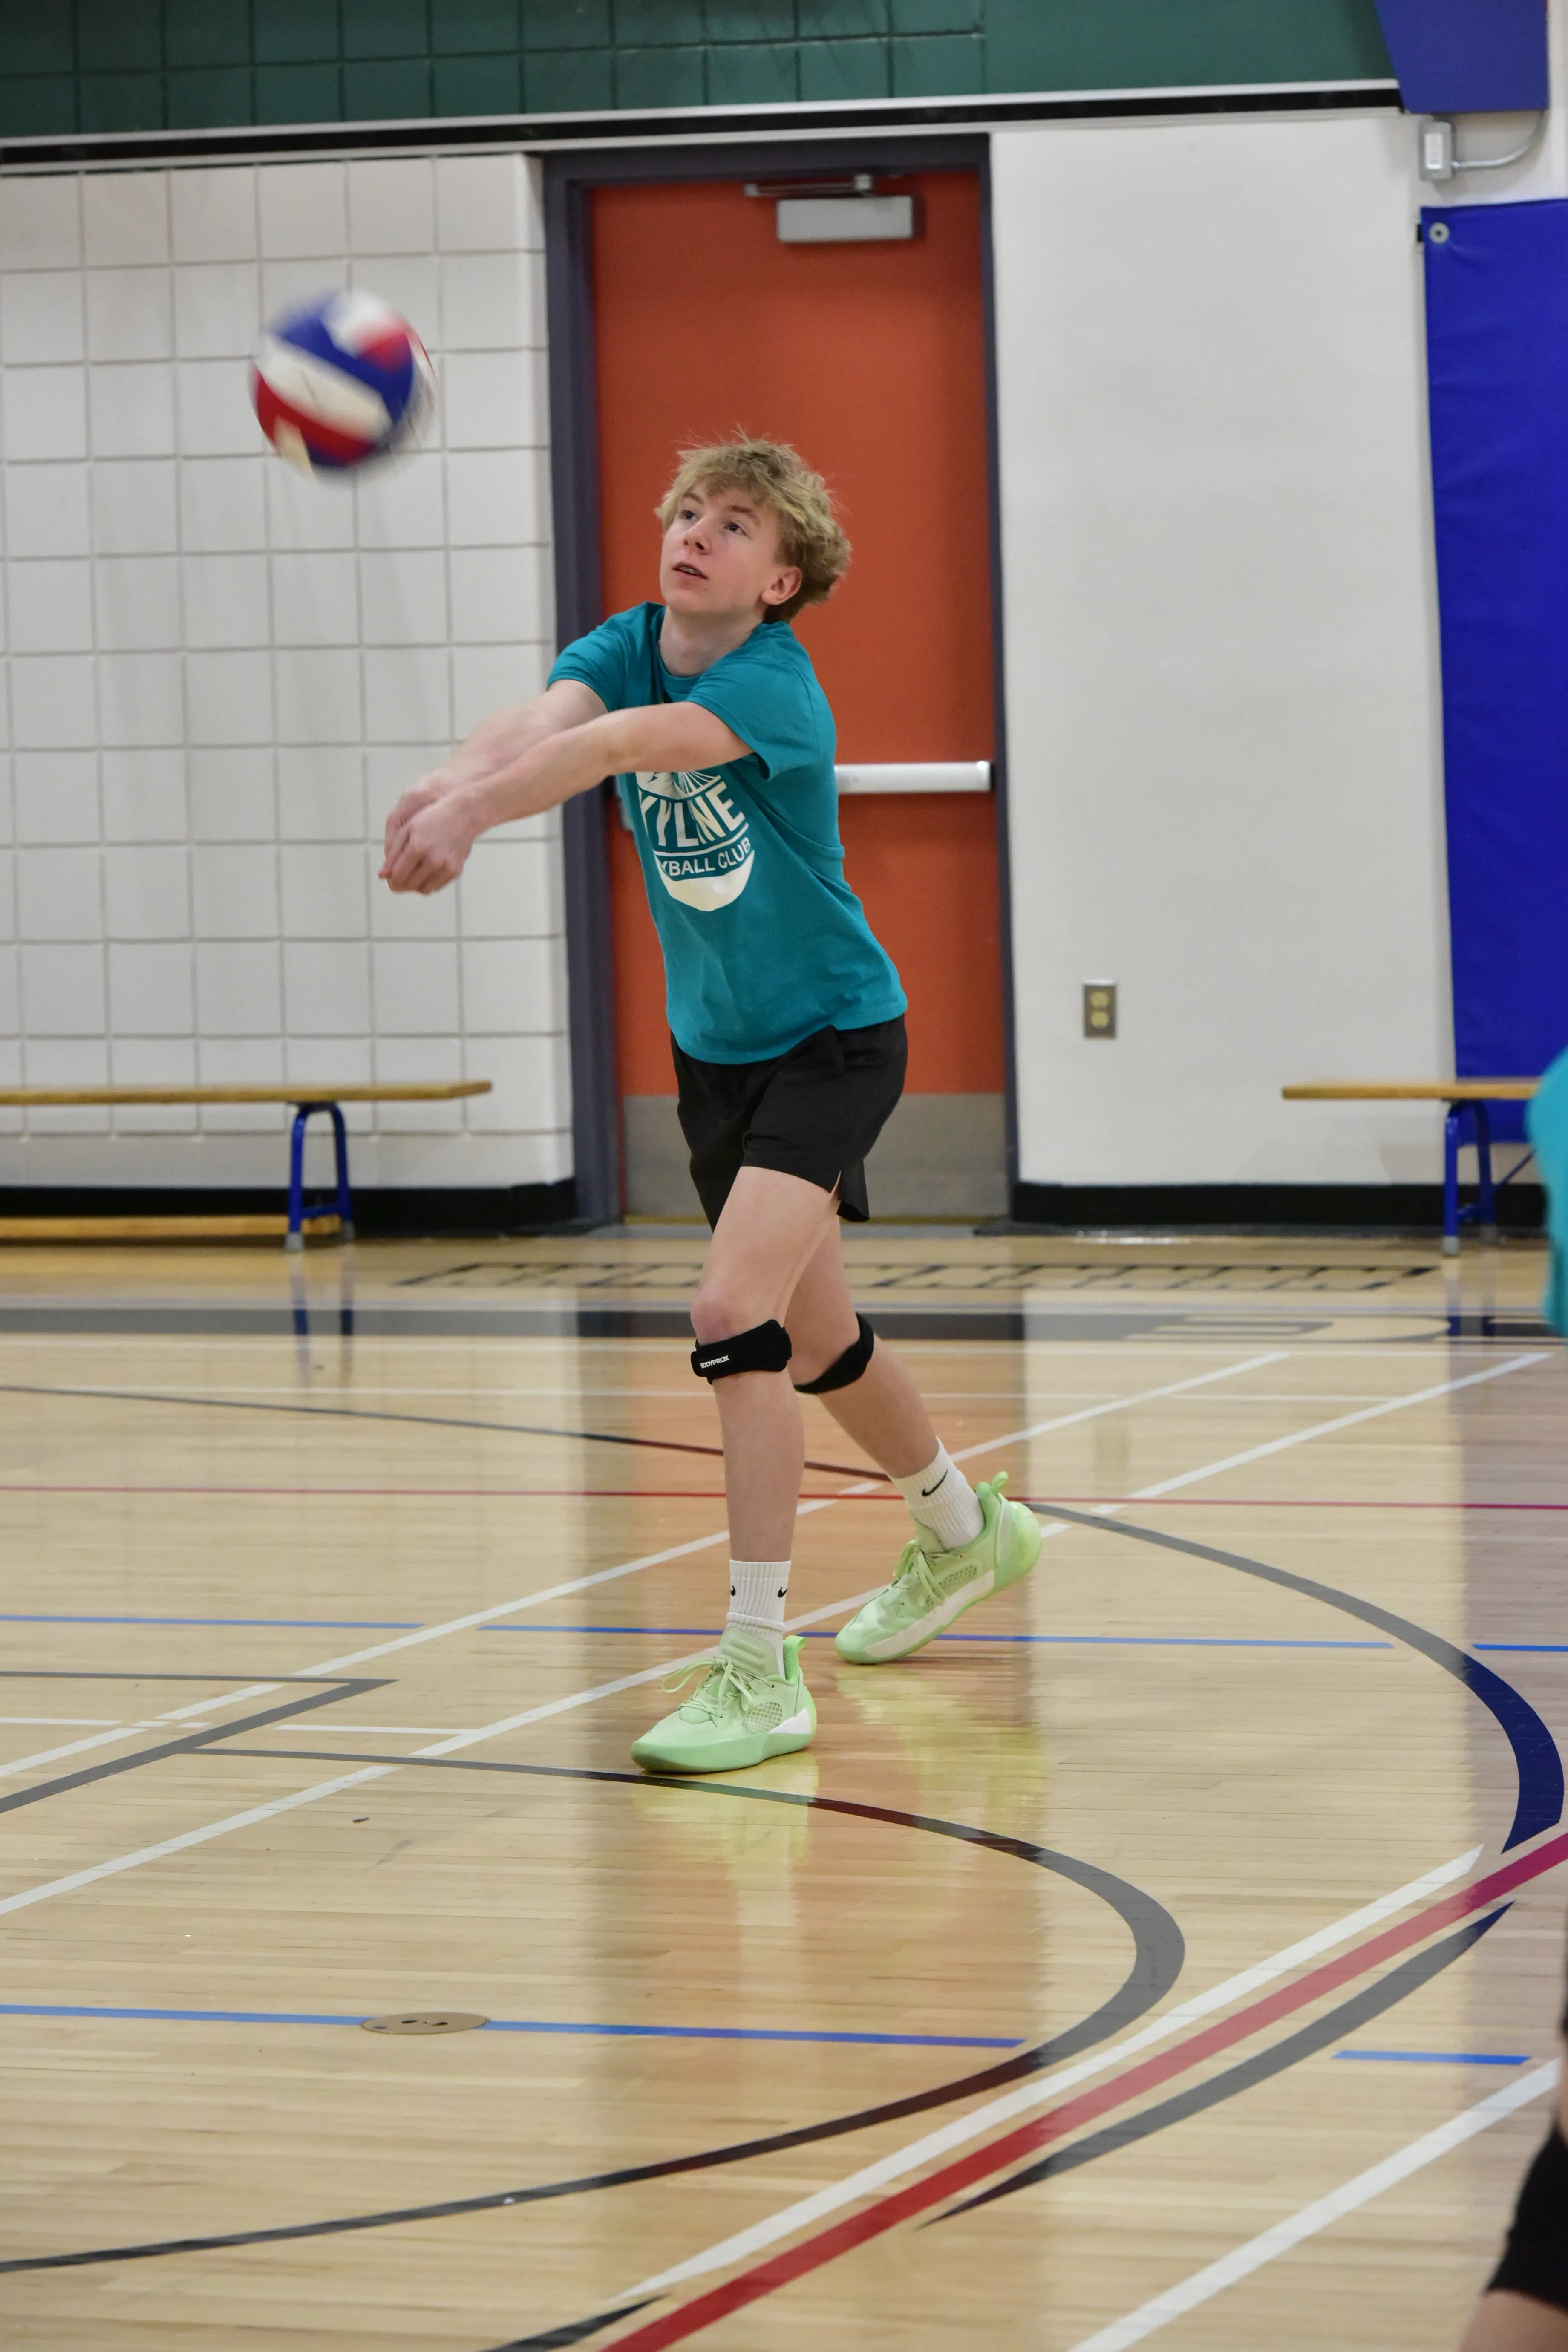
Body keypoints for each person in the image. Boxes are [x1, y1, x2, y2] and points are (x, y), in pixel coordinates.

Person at [379, 434, 1043, 1773]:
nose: (695, 533)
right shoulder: (631, 638)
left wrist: (483, 819)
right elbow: (550, 720)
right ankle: (970, 1534)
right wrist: (455, 780)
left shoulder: (774, 687)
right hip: (718, 1057)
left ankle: (757, 1668)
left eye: (734, 525)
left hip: (836, 1040)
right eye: (687, 511)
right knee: (821, 1337)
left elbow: (624, 746)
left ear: (782, 579)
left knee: (731, 1314)